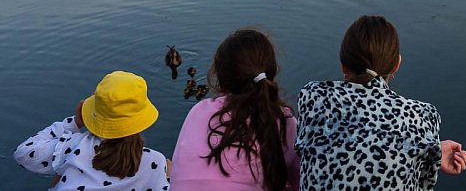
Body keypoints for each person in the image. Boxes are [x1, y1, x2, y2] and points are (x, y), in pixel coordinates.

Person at [295, 15, 466, 190]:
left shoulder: (313, 98)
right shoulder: (422, 115)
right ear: (397, 64)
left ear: (343, 64)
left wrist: (433, 149)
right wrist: (432, 151)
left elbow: (358, 139)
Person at [171, 28, 300, 191]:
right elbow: (302, 180)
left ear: (220, 76)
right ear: (270, 73)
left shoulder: (199, 110)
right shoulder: (283, 120)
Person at [13, 71, 170, 190]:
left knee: (58, 176)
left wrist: (75, 122)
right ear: (140, 119)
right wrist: (169, 175)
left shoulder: (73, 146)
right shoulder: (154, 162)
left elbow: (23, 154)